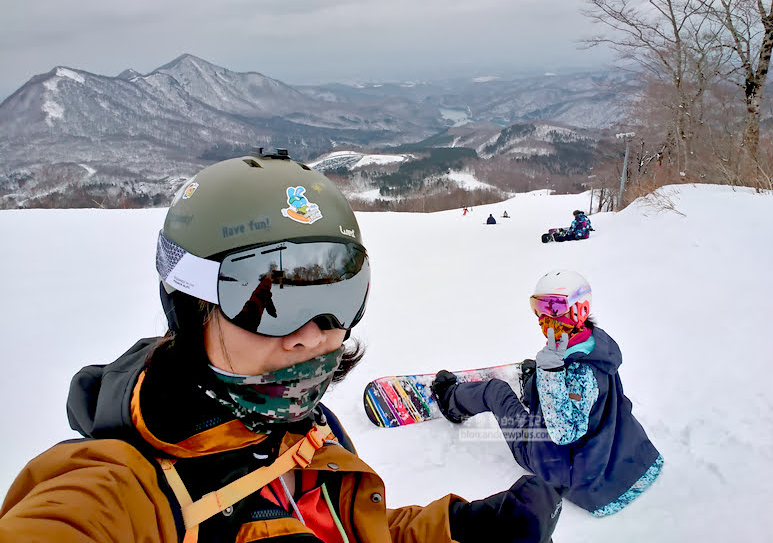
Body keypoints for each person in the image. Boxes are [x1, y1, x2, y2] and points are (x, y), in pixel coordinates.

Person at [0, 151, 562, 542]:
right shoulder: (124, 489)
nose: (314, 335)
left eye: (340, 294)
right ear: (192, 307)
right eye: (269, 301)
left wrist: (458, 531)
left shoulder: (310, 433)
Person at [432, 269, 663, 517]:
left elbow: (563, 433)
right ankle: (534, 384)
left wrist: (551, 374)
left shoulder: (580, 374)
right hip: (611, 453)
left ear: (579, 309)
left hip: (560, 464)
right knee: (540, 374)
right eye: (537, 306)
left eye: (552, 307)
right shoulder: (597, 347)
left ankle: (449, 400)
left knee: (495, 390)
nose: (543, 317)